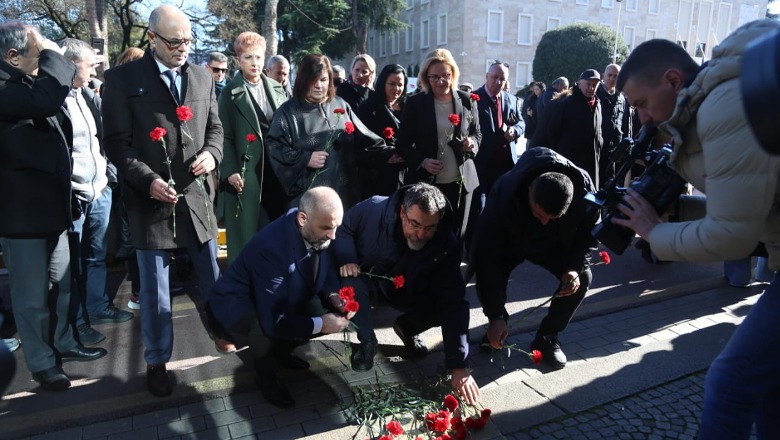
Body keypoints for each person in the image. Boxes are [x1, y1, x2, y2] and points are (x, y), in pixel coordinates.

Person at [610, 20, 780, 439]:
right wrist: (672, 208)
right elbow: (747, 203)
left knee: (731, 383)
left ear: (672, 79)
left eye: (641, 103)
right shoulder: (711, 101)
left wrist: (654, 233)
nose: (642, 117)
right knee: (770, 387)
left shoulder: (722, 107)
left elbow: (733, 237)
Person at [102, 5, 232, 397]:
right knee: (157, 293)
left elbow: (215, 128)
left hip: (196, 199)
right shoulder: (122, 79)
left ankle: (222, 326)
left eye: (188, 41)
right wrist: (148, 180)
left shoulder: (202, 77)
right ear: (152, 38)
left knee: (212, 275)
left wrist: (213, 154)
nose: (183, 49)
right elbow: (117, 146)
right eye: (174, 42)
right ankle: (157, 361)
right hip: (151, 201)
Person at [0, 22, 107, 391]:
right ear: (12, 57)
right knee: (31, 298)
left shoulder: (28, 86)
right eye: (37, 54)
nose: (45, 60)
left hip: (54, 210)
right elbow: (46, 100)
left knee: (63, 285)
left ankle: (63, 341)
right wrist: (53, 51)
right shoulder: (4, 88)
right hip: (22, 218)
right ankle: (42, 363)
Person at [333, 183, 481, 405]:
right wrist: (348, 258)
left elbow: (453, 302)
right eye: (415, 224)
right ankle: (367, 342)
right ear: (402, 211)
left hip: (412, 289)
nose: (421, 234)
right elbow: (344, 228)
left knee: (446, 307)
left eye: (430, 227)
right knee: (351, 285)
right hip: (372, 279)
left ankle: (408, 327)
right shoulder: (374, 209)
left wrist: (459, 365)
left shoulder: (446, 244)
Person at [207, 187, 351, 409]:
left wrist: (332, 295)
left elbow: (324, 265)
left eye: (336, 227)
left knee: (312, 314)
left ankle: (281, 353)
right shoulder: (272, 248)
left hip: (278, 293)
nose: (333, 235)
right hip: (237, 301)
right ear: (302, 218)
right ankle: (265, 376)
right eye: (327, 228)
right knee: (264, 330)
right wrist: (323, 324)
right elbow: (272, 321)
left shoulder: (318, 226)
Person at [470, 147, 598, 370]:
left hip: (552, 244)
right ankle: (497, 330)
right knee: (493, 278)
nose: (545, 222)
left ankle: (547, 337)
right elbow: (488, 261)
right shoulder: (503, 196)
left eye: (553, 218)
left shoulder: (585, 192)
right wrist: (496, 315)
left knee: (582, 278)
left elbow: (589, 234)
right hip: (511, 240)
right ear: (530, 191)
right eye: (540, 215)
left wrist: (572, 267)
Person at [60, 38, 133, 346]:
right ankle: (75, 323)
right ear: (71, 64)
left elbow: (99, 139)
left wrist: (107, 176)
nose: (94, 70)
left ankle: (97, 305)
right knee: (71, 263)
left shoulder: (86, 95)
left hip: (99, 189)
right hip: (74, 194)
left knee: (96, 256)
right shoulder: (55, 99)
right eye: (89, 64)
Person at [266, 54, 388, 210]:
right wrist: (305, 159)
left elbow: (366, 140)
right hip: (310, 201)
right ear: (303, 80)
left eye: (323, 80)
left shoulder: (340, 105)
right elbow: (274, 146)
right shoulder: (287, 112)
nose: (319, 85)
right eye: (313, 80)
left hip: (344, 196)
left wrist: (392, 153)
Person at [395, 48, 481, 239]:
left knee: (457, 235)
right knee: (429, 236)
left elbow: (477, 133)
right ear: (426, 77)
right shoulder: (415, 103)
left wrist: (472, 144)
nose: (441, 82)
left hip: (461, 182)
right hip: (429, 183)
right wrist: (423, 161)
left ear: (453, 74)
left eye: (445, 76)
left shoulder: (467, 100)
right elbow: (402, 144)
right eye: (434, 77)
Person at [218, 32, 289, 264]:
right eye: (248, 57)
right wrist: (229, 170)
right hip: (246, 175)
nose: (255, 63)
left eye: (259, 57)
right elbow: (223, 136)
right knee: (248, 237)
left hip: (278, 173)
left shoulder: (277, 89)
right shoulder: (229, 94)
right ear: (238, 60)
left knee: (279, 233)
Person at [465, 61, 525, 253]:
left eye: (502, 79)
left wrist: (515, 131)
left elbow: (522, 123)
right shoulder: (472, 98)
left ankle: (495, 249)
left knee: (501, 209)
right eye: (494, 77)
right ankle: (473, 252)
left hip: (504, 166)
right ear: (486, 76)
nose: (498, 82)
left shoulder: (511, 99)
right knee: (478, 209)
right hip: (480, 166)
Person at [531, 69, 603, 188]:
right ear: (580, 83)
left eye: (594, 85)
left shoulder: (598, 104)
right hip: (569, 165)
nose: (591, 88)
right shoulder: (565, 104)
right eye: (588, 84)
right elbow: (551, 133)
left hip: (592, 165)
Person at [355, 63, 408, 198]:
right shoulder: (368, 108)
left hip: (406, 177)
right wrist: (384, 155)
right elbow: (359, 144)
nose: (396, 89)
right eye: (392, 84)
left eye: (400, 85)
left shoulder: (409, 107)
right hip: (377, 177)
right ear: (383, 83)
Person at [596, 63, 627, 184]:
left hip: (613, 150)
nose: (612, 79)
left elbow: (624, 124)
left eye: (616, 76)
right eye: (609, 75)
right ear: (604, 76)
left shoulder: (621, 98)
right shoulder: (595, 95)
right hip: (597, 149)